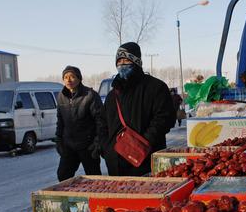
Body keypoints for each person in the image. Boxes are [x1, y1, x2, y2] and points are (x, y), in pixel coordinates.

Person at [101, 42, 176, 176]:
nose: (122, 64)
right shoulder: (112, 95)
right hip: (116, 164)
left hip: (146, 161)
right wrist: (106, 149)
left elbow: (165, 119)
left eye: (127, 60)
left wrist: (143, 144)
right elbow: (102, 124)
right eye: (119, 61)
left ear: (137, 61)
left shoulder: (156, 87)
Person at [55, 65, 104, 181]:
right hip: (69, 146)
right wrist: (59, 140)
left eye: (72, 76)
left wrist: (97, 142)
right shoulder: (61, 96)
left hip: (88, 146)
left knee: (94, 180)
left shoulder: (90, 95)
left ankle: (96, 199)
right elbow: (60, 121)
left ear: (79, 78)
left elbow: (100, 120)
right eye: (65, 77)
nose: (69, 80)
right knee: (63, 176)